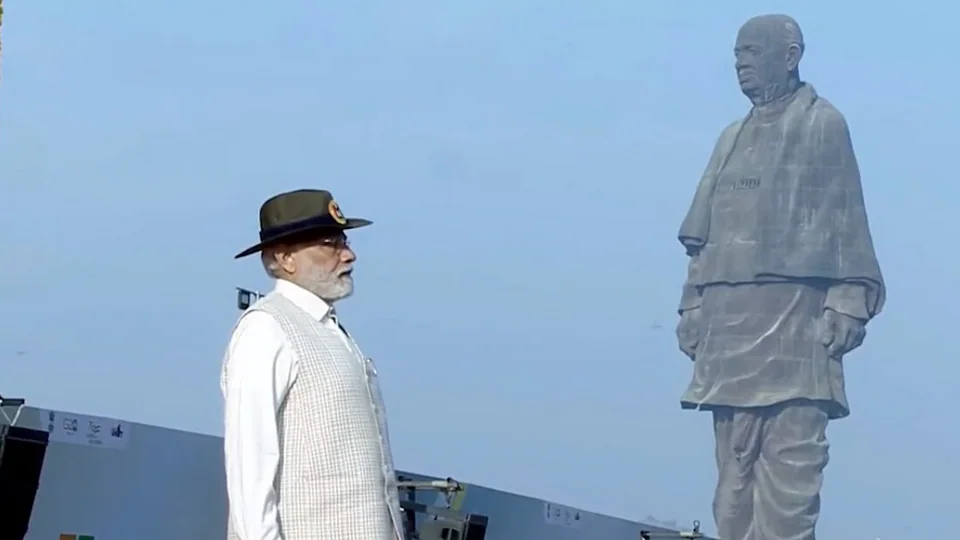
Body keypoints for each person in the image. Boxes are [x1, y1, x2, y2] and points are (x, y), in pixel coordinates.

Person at [675, 14, 885, 540]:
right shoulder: (730, 137)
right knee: (732, 488)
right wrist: (692, 305)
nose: (741, 63)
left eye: (752, 51)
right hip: (729, 333)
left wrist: (847, 301)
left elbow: (846, 222)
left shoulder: (823, 124)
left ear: (789, 56)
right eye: (736, 54)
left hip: (795, 322)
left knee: (790, 486)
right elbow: (703, 241)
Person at [222, 189, 404, 540]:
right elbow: (250, 468)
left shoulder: (332, 333)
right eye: (329, 244)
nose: (348, 255)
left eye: (343, 241)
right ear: (285, 257)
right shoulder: (266, 328)